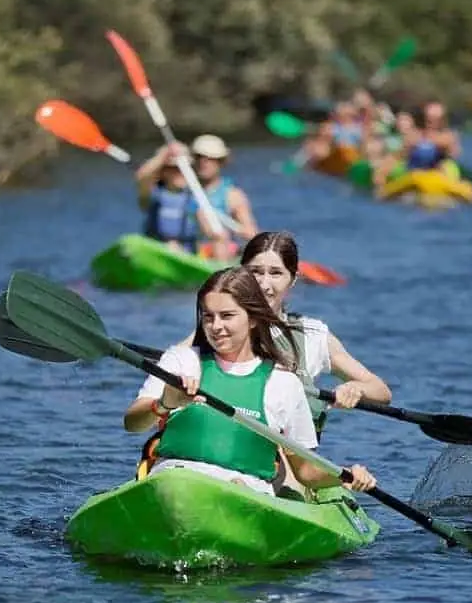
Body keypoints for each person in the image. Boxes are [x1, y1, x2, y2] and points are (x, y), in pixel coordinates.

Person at [123, 267, 377, 496]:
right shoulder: (180, 361)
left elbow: (306, 473)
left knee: (236, 488)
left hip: (244, 491)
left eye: (227, 316)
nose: (215, 326)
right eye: (208, 317)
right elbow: (133, 424)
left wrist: (344, 475)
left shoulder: (284, 383)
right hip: (173, 479)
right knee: (176, 484)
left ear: (253, 319)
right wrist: (164, 403)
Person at [241, 231, 392, 439]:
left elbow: (380, 390)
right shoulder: (220, 326)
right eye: (256, 272)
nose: (264, 284)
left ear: (292, 279)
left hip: (291, 458)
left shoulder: (312, 334)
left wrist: (353, 388)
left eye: (276, 273)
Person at [132, 142, 224, 254]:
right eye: (173, 169)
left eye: (183, 169)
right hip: (157, 252)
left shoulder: (195, 197)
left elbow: (209, 229)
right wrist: (164, 155)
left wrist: (217, 236)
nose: (179, 173)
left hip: (185, 257)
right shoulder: (153, 194)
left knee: (220, 240)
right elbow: (142, 176)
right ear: (163, 171)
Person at [190, 134, 258, 261]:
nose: (203, 162)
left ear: (221, 162)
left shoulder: (233, 196)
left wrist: (246, 232)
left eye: (210, 158)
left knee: (219, 239)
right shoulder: (181, 188)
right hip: (188, 249)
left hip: (218, 251)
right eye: (199, 157)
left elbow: (250, 231)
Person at [404, 101, 462, 174]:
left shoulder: (449, 136)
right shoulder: (414, 134)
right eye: (429, 119)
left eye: (436, 119)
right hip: (415, 173)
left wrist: (441, 145)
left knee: (448, 166)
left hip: (438, 174)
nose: (432, 122)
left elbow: (454, 153)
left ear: (442, 120)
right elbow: (405, 150)